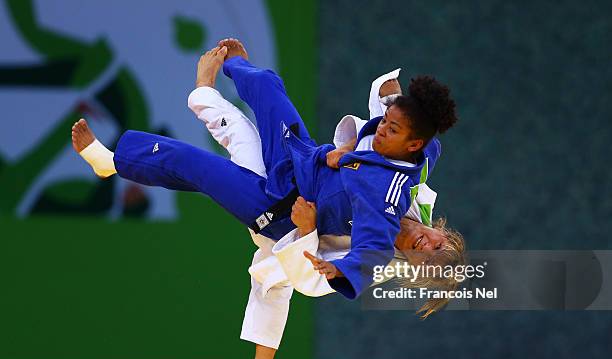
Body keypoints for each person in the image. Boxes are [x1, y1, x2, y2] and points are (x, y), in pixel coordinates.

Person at [72, 38, 459, 303]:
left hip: (278, 209)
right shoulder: (417, 165)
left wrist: (335, 268)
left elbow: (371, 249)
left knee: (192, 165)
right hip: (300, 159)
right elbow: (398, 120)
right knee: (270, 91)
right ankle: (236, 64)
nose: (426, 248)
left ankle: (111, 161)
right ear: (440, 230)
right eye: (438, 245)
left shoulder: (387, 204)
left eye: (427, 258)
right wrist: (388, 101)